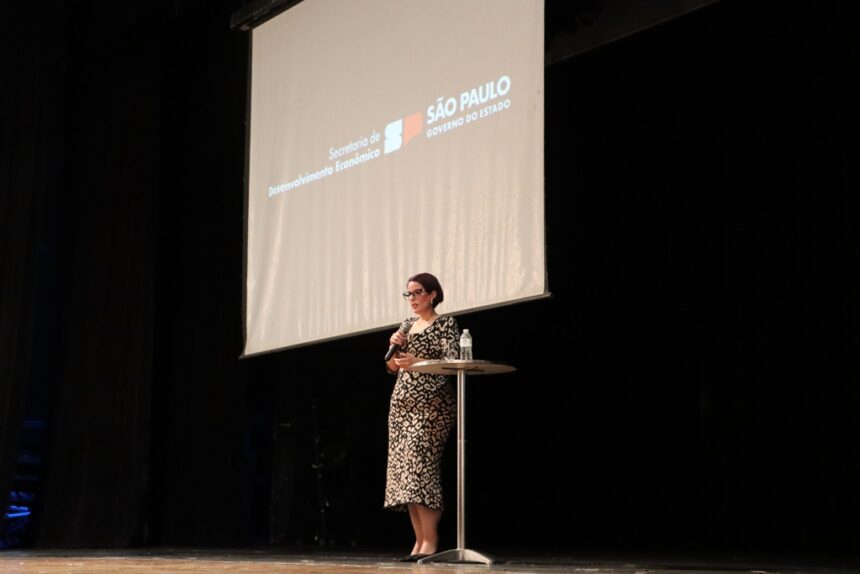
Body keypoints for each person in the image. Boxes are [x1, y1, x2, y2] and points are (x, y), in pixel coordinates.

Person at [383, 272, 459, 562]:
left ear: (432, 294)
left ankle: (431, 539)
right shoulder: (406, 325)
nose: (412, 299)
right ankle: (419, 540)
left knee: (421, 468)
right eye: (409, 294)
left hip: (432, 405)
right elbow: (391, 367)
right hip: (401, 406)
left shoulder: (445, 323)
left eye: (417, 292)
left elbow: (452, 362)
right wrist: (393, 347)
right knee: (405, 473)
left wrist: (419, 362)